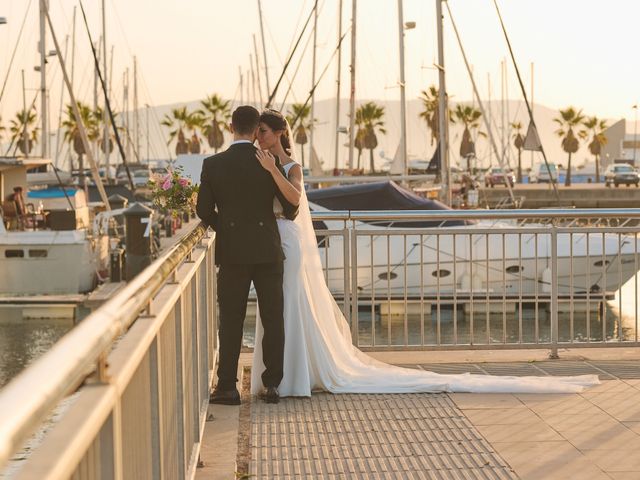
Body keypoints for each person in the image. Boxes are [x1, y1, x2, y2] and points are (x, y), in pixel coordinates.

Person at [250, 108, 600, 396]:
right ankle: (282, 374)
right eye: (257, 132)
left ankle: (297, 376)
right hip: (269, 241)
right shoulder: (260, 163)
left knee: (292, 303)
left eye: (264, 131)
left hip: (290, 242)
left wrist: (270, 170)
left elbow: (295, 199)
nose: (259, 137)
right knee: (277, 306)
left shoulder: (290, 168)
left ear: (280, 133)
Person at [196, 105, 297, 405]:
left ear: (230, 127)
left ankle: (227, 386)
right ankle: (272, 385)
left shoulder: (213, 164)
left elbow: (203, 210)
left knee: (231, 319)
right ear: (256, 131)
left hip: (233, 252)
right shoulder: (268, 163)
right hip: (267, 249)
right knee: (272, 317)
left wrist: (225, 228)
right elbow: (291, 208)